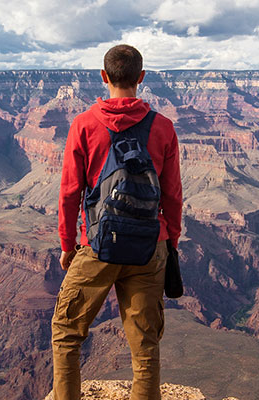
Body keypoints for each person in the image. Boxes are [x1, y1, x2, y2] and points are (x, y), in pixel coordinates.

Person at [52, 44, 182, 400]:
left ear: (104, 77)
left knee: (66, 333)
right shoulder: (164, 128)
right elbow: (172, 194)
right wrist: (169, 242)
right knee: (145, 347)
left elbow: (68, 193)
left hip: (98, 246)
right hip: (149, 246)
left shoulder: (83, 124)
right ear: (141, 78)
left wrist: (67, 245)